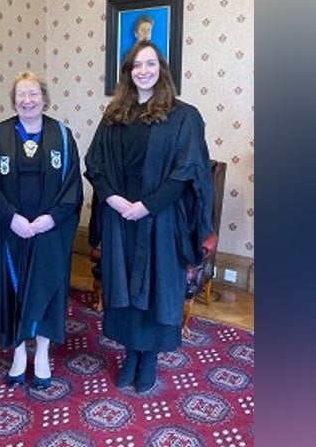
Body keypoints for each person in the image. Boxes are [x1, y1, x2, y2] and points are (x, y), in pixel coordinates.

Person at [84, 39, 214, 393]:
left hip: (161, 219)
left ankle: (149, 358)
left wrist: (146, 206)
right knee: (123, 285)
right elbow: (95, 164)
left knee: (156, 288)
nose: (144, 71)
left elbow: (187, 171)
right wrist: (114, 200)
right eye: (137, 65)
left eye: (151, 64)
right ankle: (131, 354)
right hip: (120, 218)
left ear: (162, 69)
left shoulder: (183, 116)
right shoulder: (114, 115)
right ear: (127, 72)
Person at [0, 72, 83, 390]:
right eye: (21, 94)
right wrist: (11, 218)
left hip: (49, 231)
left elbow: (73, 186)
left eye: (33, 94)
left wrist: (51, 219)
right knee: (14, 291)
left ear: (44, 98)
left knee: (47, 291)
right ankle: (19, 354)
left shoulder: (62, 136)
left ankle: (43, 354)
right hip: (12, 231)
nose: (27, 100)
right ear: (14, 100)